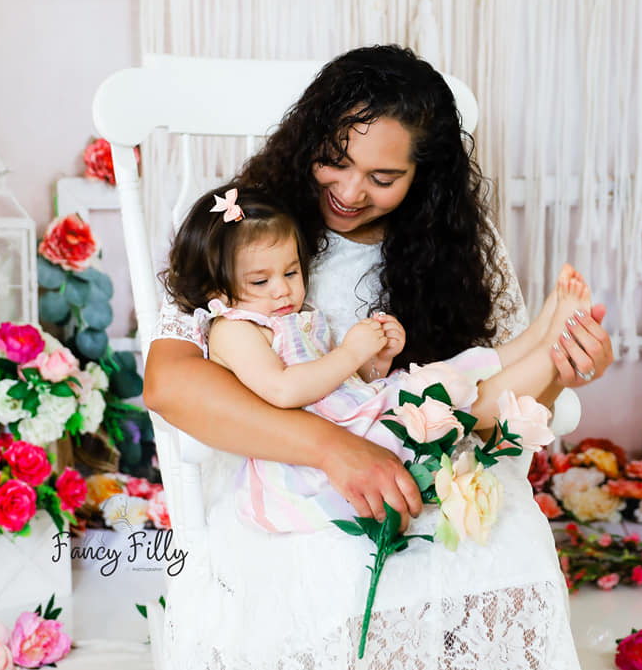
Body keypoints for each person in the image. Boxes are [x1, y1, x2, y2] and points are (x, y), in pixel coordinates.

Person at [145, 45, 614, 670]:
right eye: (334, 159)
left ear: (424, 174)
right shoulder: (251, 236)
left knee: (486, 552)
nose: (349, 189)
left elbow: (490, 415)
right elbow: (170, 384)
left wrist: (564, 367)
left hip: (418, 461)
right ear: (309, 138)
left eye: (383, 175)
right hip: (296, 485)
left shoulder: (451, 249)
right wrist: (330, 448)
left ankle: (553, 335)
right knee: (380, 610)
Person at [162, 185, 593, 532]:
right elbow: (284, 391)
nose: (283, 290)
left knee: (453, 375)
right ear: (217, 291)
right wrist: (350, 353)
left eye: (291, 272)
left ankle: (539, 335)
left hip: (352, 413)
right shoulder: (233, 329)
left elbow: (344, 386)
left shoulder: (291, 318)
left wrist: (377, 364)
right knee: (455, 404)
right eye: (261, 280)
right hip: (314, 454)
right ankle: (554, 355)